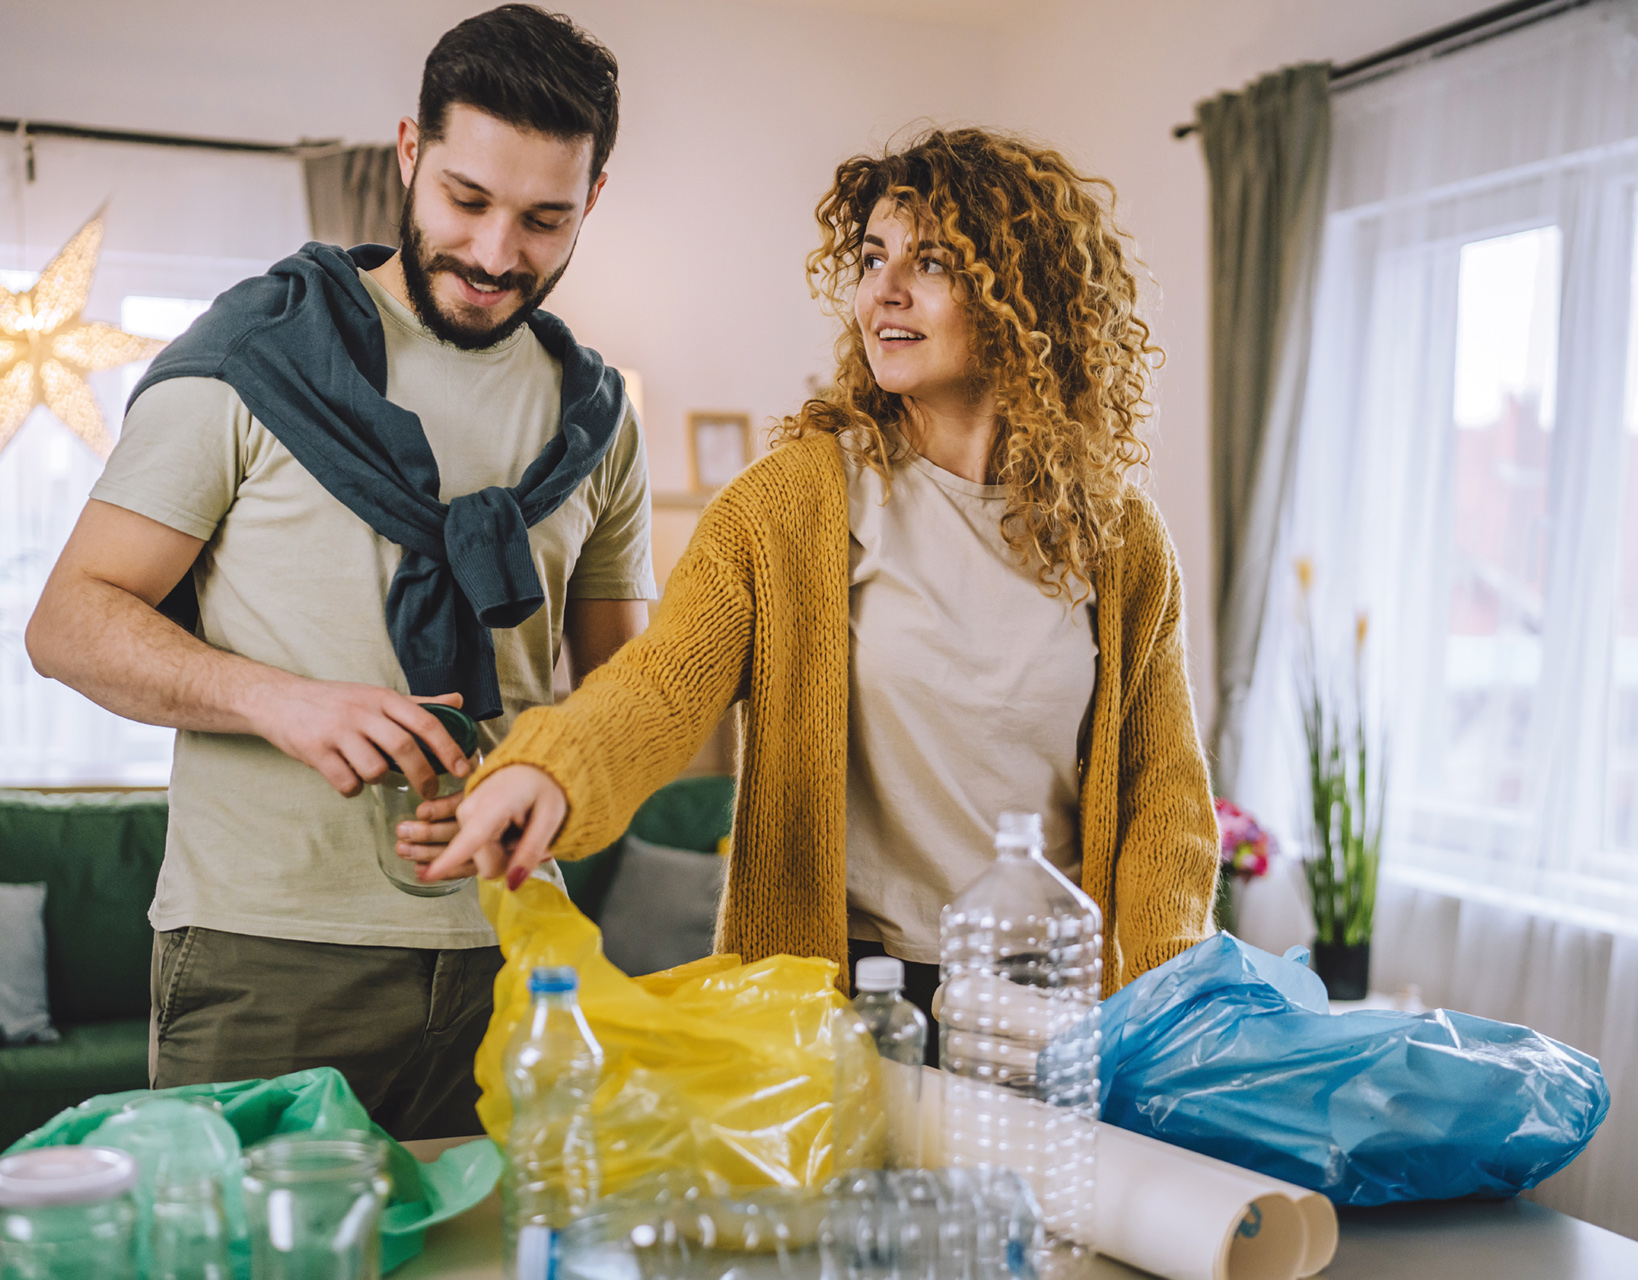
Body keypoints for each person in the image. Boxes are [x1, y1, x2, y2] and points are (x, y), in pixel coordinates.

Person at [429, 126, 1217, 1037]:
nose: (884, 290)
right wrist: (550, 769)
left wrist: (1169, 1013)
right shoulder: (795, 504)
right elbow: (660, 687)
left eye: (931, 262)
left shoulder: (1118, 540)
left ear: (1023, 295)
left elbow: (1163, 800)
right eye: (873, 258)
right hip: (853, 1004)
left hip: (1054, 1006)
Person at [24, 5, 654, 1138]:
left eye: (544, 219)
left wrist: (549, 790)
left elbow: (627, 701)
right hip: (265, 955)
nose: (496, 254)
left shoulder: (599, 422)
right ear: (409, 151)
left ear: (594, 199)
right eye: (467, 199)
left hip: (516, 956)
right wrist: (277, 699)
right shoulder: (251, 357)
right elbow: (67, 622)